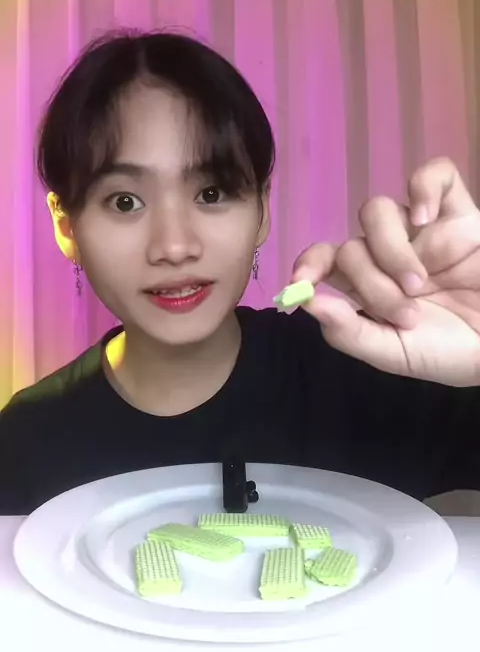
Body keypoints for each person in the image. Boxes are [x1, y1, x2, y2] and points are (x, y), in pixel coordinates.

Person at [1, 29, 480, 516]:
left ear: (262, 210)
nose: (175, 246)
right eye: (125, 202)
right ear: (67, 226)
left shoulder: (369, 369)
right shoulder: (27, 441)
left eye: (211, 193)